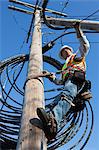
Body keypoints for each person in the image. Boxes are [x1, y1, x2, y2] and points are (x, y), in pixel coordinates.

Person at [37, 22, 90, 141]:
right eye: (63, 52)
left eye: (66, 50)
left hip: (76, 80)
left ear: (70, 50)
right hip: (69, 82)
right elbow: (60, 82)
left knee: (66, 97)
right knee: (56, 101)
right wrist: (50, 77)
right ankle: (50, 124)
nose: (65, 52)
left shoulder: (76, 57)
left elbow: (85, 46)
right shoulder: (65, 66)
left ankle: (54, 121)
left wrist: (78, 31)